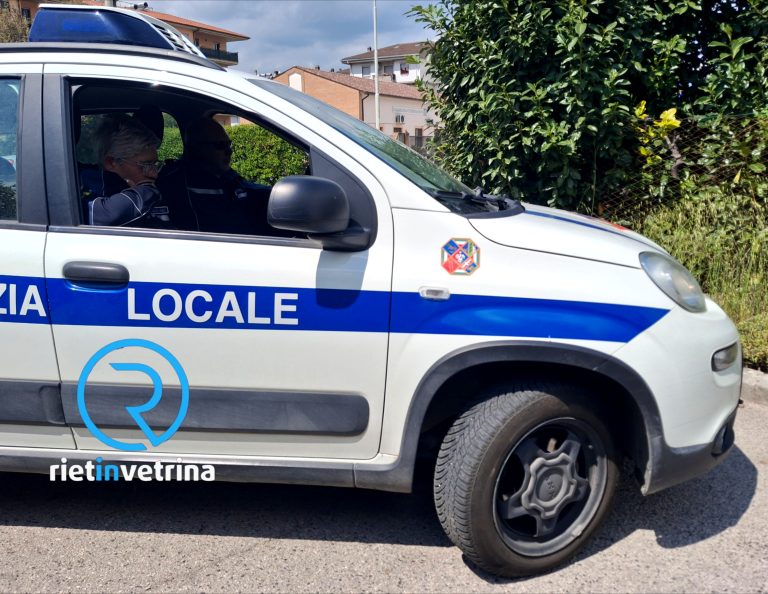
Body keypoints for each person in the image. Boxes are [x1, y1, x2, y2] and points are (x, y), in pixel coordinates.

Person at [157, 116, 274, 235]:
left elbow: (250, 190)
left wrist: (275, 194)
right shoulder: (178, 184)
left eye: (229, 144)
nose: (229, 151)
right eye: (220, 145)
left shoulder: (226, 175)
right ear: (197, 148)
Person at [80, 114, 169, 227]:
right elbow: (102, 216)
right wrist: (148, 191)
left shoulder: (164, 184)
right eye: (145, 165)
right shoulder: (85, 185)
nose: (154, 174)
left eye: (154, 164)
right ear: (111, 162)